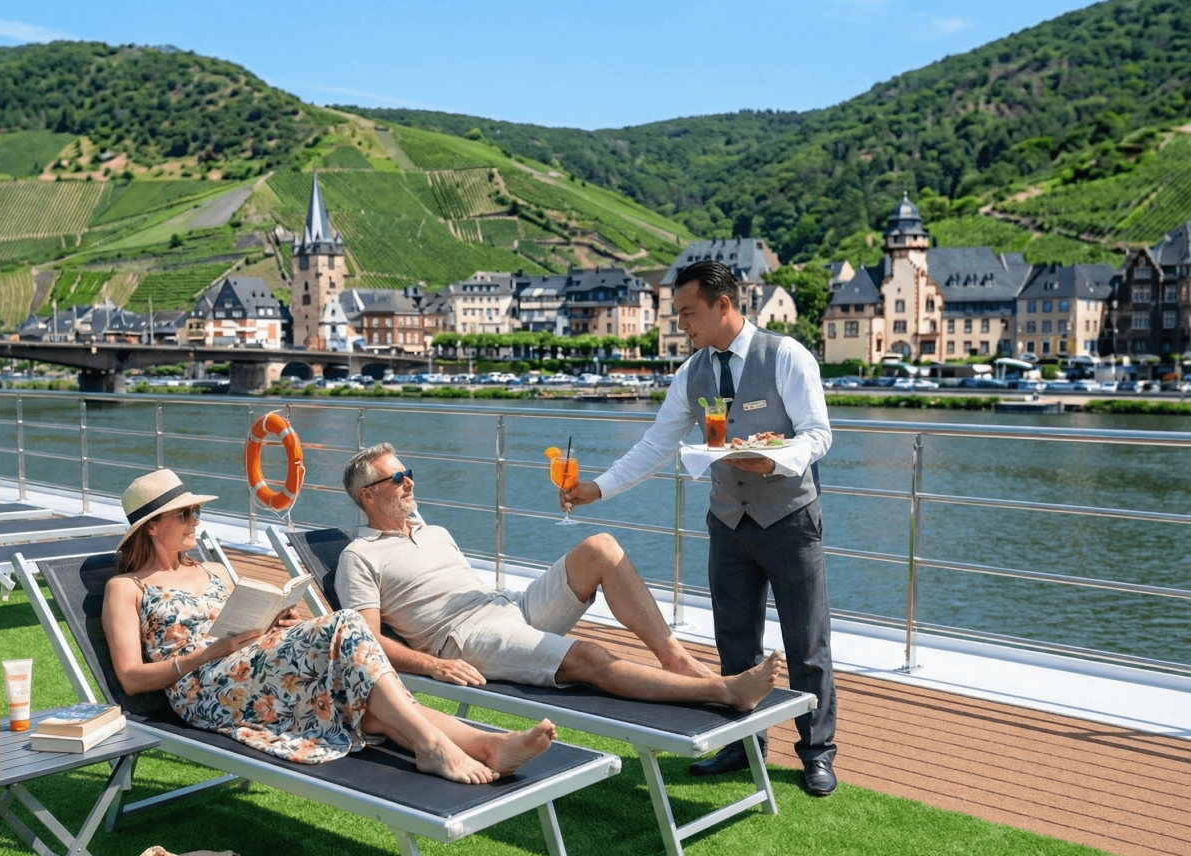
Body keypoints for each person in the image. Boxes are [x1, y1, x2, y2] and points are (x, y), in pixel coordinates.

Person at [561, 258, 839, 796]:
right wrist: (597, 487)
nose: (680, 325)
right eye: (678, 314)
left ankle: (817, 752)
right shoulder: (692, 373)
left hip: (790, 519)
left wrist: (775, 460)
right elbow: (657, 445)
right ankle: (743, 743)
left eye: (689, 313)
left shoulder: (786, 355)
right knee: (734, 640)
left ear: (723, 305)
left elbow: (817, 434)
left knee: (807, 642)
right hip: (728, 521)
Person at [102, 469, 557, 785]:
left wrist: (275, 619)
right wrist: (207, 655)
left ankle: (489, 746)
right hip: (206, 688)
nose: (195, 521)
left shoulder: (214, 572)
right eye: (185, 514)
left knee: (365, 694)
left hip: (258, 666)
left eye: (195, 511)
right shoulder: (127, 588)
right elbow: (130, 677)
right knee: (344, 625)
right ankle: (435, 747)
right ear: (152, 527)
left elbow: (244, 622)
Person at [334, 444, 782, 709]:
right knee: (587, 655)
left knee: (600, 547)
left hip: (506, 606)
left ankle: (675, 659)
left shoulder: (434, 531)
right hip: (465, 639)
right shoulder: (361, 555)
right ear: (369, 497)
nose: (409, 482)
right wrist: (434, 665)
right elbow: (367, 641)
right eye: (397, 479)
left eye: (408, 474)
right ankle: (724, 691)